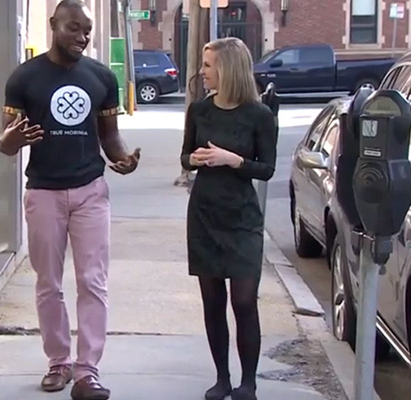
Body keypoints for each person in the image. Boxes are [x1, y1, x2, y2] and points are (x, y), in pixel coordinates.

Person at [0, 0, 141, 399]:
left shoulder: (100, 77)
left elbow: (109, 135)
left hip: (90, 190)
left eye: (87, 30)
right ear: (53, 24)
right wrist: (12, 139)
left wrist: (122, 158)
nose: (82, 37)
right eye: (73, 28)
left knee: (93, 281)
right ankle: (58, 362)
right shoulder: (25, 78)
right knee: (48, 283)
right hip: (43, 191)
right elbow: (6, 142)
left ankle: (87, 371)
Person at [180, 37, 277, 400]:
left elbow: (266, 168)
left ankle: (248, 382)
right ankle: (222, 378)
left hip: (241, 217)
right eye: (203, 65)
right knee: (212, 301)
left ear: (227, 68)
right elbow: (185, 156)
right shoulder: (199, 111)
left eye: (208, 65)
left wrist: (232, 159)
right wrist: (197, 160)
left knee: (243, 301)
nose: (202, 72)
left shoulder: (259, 115)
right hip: (205, 213)